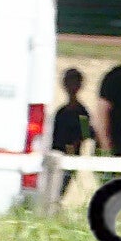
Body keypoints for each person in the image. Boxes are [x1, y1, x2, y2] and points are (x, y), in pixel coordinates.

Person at [51, 67, 94, 199]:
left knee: (59, 190)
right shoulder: (61, 112)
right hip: (56, 155)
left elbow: (86, 134)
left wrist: (75, 144)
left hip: (71, 157)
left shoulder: (81, 112)